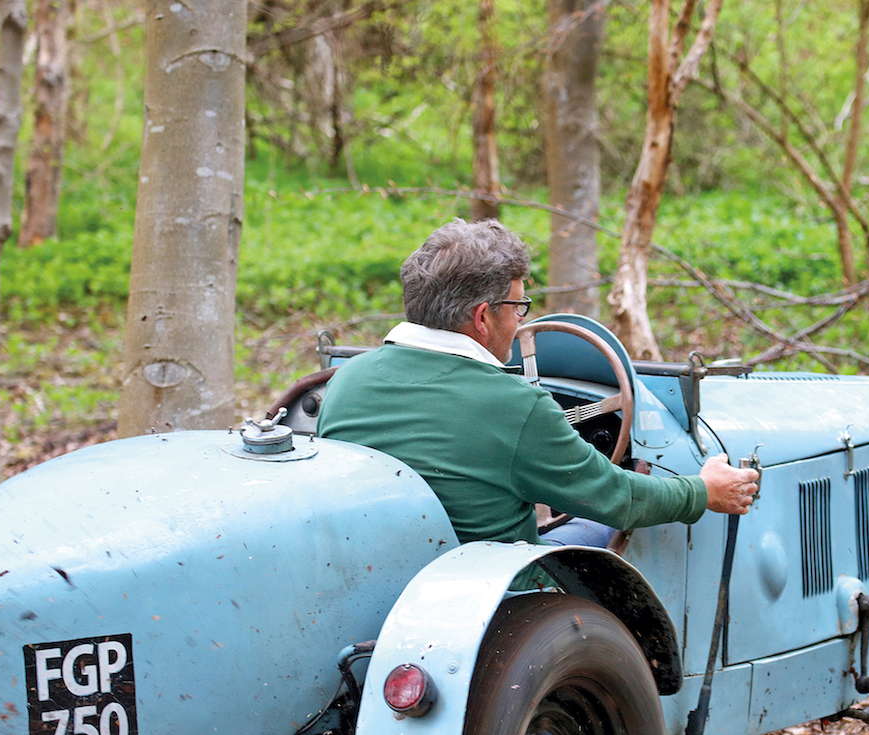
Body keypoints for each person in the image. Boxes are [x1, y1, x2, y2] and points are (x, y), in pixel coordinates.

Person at [316, 218, 758, 545]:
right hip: (492, 599)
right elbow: (618, 497)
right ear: (483, 316)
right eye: (518, 306)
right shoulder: (515, 405)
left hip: (376, 579)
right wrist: (703, 491)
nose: (521, 319)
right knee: (596, 528)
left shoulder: (345, 382)